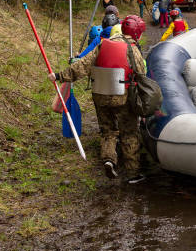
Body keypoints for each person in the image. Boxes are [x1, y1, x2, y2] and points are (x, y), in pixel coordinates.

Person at [48, 15, 147, 184]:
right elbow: (142, 75)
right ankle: (132, 174)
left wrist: (59, 76)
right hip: (122, 97)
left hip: (100, 96)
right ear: (137, 33)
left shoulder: (103, 44)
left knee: (108, 131)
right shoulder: (133, 50)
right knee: (129, 133)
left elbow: (83, 65)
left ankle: (109, 159)